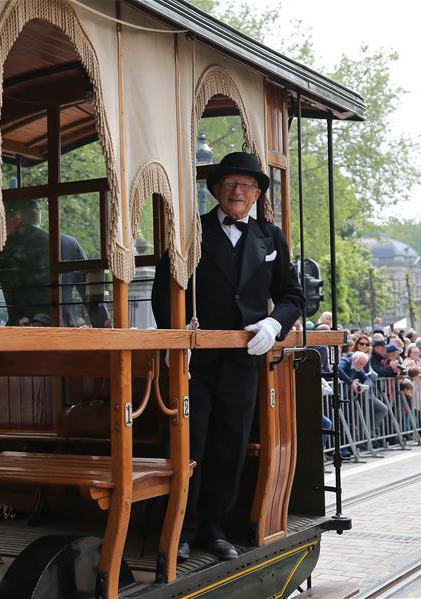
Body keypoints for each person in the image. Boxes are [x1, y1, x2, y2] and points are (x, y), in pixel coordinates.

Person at [151, 152, 303, 562]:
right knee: (188, 445)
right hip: (194, 363)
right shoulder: (190, 232)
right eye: (231, 184)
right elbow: (164, 291)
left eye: (247, 185)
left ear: (256, 195)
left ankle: (214, 529)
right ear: (217, 190)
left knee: (229, 446)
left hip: (243, 361)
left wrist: (273, 327)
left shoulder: (270, 237)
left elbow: (293, 296)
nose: (238, 191)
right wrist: (176, 344)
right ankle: (180, 528)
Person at [0, 200, 110, 328]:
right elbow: (93, 296)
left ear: (14, 218)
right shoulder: (68, 244)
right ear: (38, 216)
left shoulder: (0, 249)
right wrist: (105, 333)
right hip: (66, 333)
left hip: (21, 333)